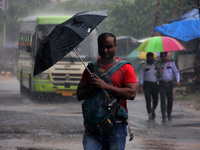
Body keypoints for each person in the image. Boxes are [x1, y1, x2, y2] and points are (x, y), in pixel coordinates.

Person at [76, 32, 137, 150]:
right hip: (92, 127)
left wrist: (105, 86)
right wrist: (92, 86)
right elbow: (79, 95)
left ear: (115, 46)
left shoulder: (125, 67)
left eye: (108, 47)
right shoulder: (91, 68)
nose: (105, 50)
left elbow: (132, 93)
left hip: (116, 125)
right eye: (101, 47)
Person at [157, 52, 180, 123]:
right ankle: (163, 116)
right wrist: (159, 72)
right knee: (163, 100)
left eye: (165, 56)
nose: (164, 58)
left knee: (170, 99)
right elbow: (156, 76)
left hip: (170, 83)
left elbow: (176, 72)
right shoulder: (158, 64)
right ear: (160, 57)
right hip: (162, 83)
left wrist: (177, 80)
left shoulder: (171, 63)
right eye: (163, 56)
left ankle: (169, 114)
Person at [139, 52, 158, 120]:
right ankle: (149, 113)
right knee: (148, 99)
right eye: (151, 57)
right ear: (147, 58)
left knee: (155, 99)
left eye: (153, 57)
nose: (152, 59)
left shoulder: (156, 64)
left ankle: (153, 109)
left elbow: (160, 74)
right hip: (147, 84)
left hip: (155, 84)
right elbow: (141, 76)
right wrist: (140, 86)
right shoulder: (143, 65)